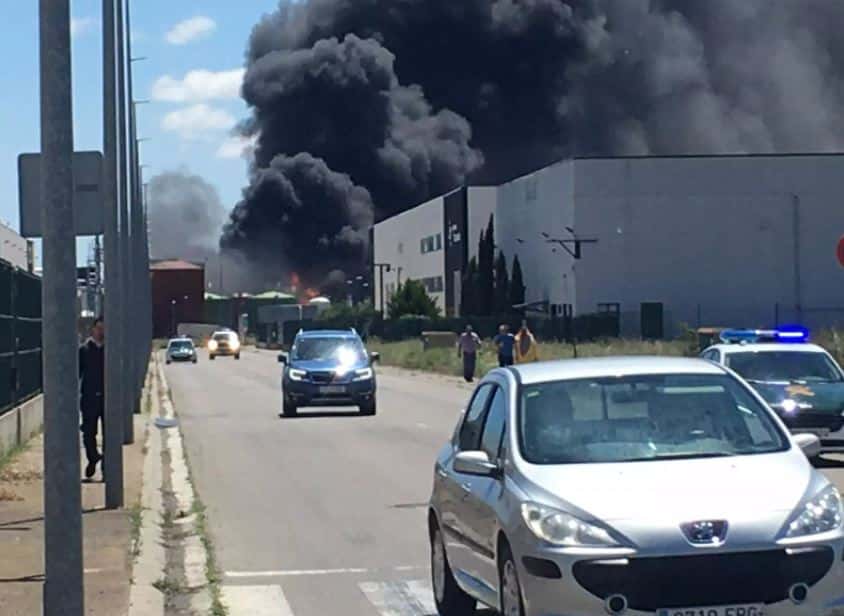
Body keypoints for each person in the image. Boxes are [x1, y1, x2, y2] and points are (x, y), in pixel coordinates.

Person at [79, 317, 105, 479]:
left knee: (109, 433)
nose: (101, 332)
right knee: (89, 433)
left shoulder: (110, 350)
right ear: (93, 330)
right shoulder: (84, 350)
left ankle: (108, 468)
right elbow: (78, 373)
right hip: (89, 397)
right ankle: (93, 457)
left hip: (107, 398)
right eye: (99, 328)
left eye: (104, 328)